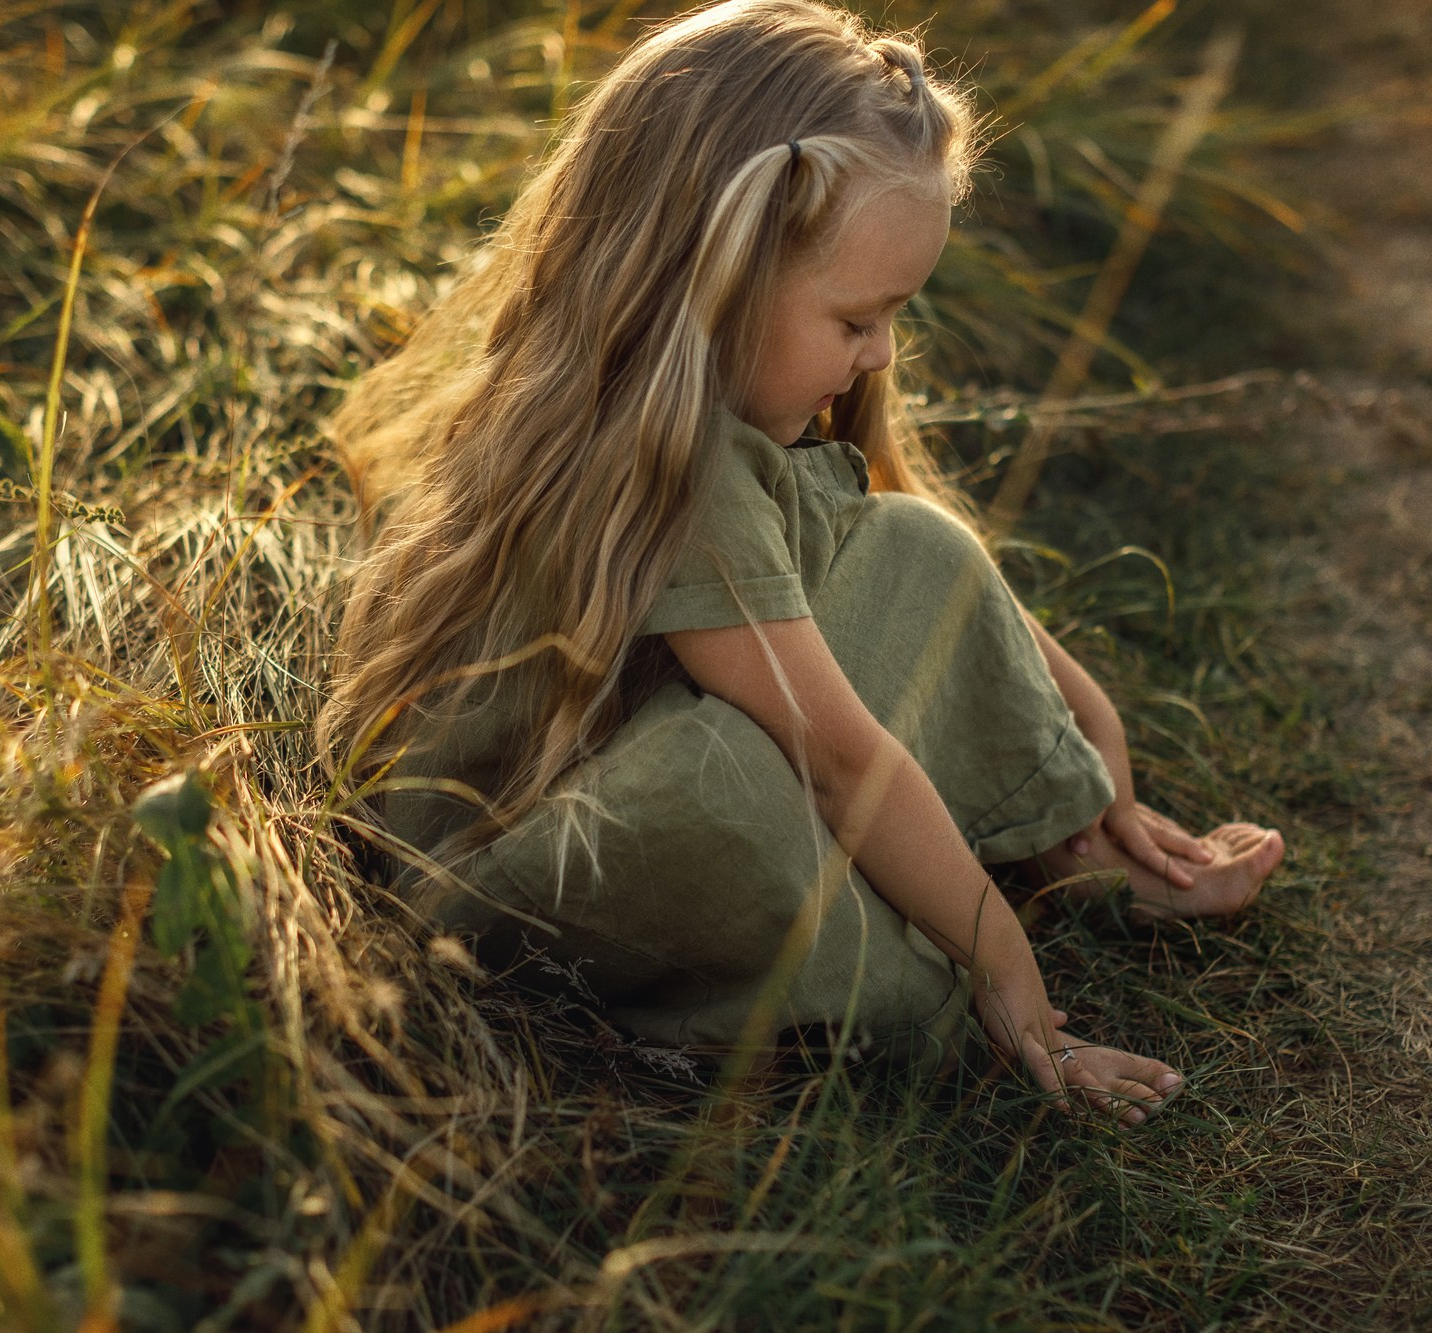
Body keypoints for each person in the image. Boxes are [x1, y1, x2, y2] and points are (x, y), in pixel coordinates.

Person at [315, 0, 1284, 1125]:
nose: (878, 351)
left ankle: (1061, 842)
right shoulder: (668, 464)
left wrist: (1095, 751)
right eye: (859, 318)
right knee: (728, 788)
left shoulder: (692, 392)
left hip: (639, 748)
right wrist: (1006, 970)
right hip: (514, 884)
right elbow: (831, 758)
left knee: (908, 546)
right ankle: (936, 999)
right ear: (716, 274)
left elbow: (924, 550)